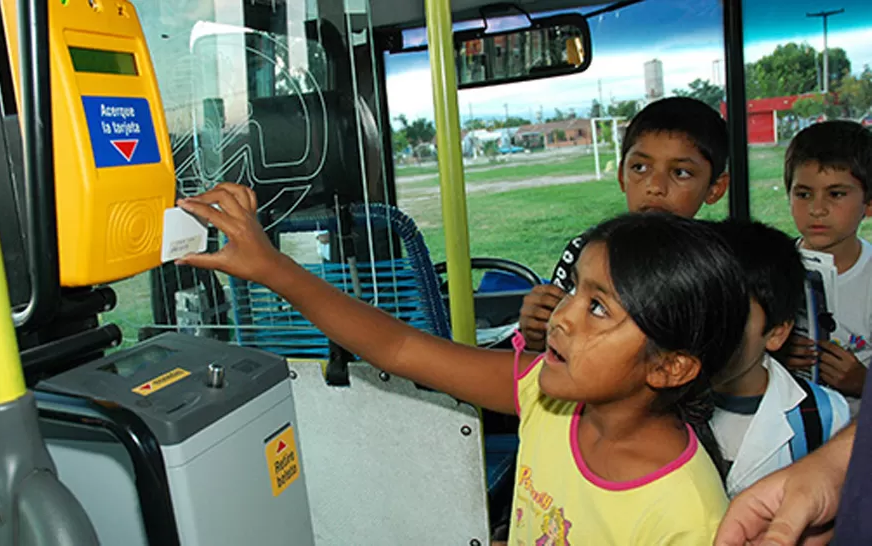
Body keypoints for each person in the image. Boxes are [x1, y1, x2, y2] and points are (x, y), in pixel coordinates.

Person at [175, 183, 750, 544]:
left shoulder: (687, 518)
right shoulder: (547, 398)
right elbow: (398, 349)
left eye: (598, 307)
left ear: (670, 368)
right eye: (575, 289)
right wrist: (273, 268)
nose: (563, 316)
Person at [519, 96, 730, 352]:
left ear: (715, 189)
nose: (655, 186)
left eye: (680, 173)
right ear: (621, 176)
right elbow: (554, 340)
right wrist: (538, 332)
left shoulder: (718, 268)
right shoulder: (585, 251)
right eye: (640, 168)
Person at [710, 220, 851, 498]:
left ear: (776, 332)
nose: (712, 331)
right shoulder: (660, 403)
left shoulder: (823, 415)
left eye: (734, 318)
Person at [779, 120, 872, 416]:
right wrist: (775, 355)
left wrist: (862, 382)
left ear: (869, 204)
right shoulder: (770, 270)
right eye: (803, 194)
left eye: (836, 194)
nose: (817, 209)